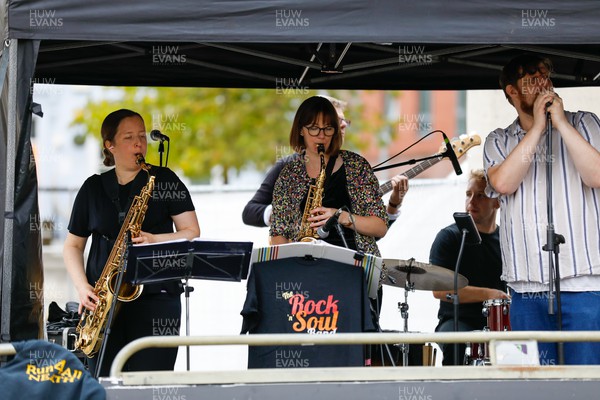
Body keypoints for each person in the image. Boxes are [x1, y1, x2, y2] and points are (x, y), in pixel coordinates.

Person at [63, 109, 200, 376]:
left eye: (141, 136)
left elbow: (191, 231)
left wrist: (154, 239)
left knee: (150, 381)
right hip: (104, 302)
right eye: (128, 137)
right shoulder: (92, 188)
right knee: (104, 383)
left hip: (157, 297)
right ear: (109, 145)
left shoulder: (164, 179)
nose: (139, 143)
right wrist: (82, 287)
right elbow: (73, 246)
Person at [483, 53, 600, 365]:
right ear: (512, 91)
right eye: (532, 80)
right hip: (526, 289)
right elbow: (505, 184)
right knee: (534, 386)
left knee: (587, 382)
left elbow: (596, 175)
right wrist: (535, 129)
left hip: (586, 283)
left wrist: (559, 123)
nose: (543, 84)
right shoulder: (499, 140)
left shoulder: (584, 123)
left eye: (546, 77)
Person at [242, 95, 409, 228]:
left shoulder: (355, 169)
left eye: (343, 123)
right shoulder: (287, 165)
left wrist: (393, 204)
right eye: (335, 122)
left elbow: (374, 236)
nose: (341, 128)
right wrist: (282, 214)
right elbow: (249, 212)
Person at [269, 95, 388, 255]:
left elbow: (379, 227)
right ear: (300, 130)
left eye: (328, 128)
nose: (321, 135)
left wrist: (340, 216)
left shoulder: (356, 165)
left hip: (355, 265)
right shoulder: (289, 175)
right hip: (306, 267)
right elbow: (278, 233)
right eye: (313, 128)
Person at [430, 169, 507, 365]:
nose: (471, 201)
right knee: (456, 341)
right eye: (468, 194)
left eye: (480, 195)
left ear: (497, 201)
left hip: (500, 323)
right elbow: (439, 290)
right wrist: (489, 294)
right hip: (457, 321)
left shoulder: (507, 241)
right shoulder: (449, 237)